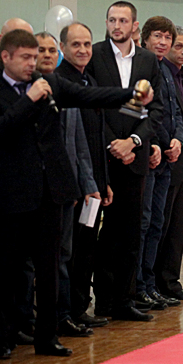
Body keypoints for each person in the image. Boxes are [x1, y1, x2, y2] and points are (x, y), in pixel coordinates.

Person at [0, 29, 147, 355]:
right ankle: (4, 336)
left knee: (51, 265)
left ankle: (47, 336)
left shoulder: (52, 85)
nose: (34, 62)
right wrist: (29, 100)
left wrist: (132, 94)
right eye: (27, 57)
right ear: (6, 57)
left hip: (52, 191)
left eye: (38, 56)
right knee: (10, 268)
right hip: (13, 193)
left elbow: (89, 96)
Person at [86, 1, 164, 321]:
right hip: (103, 157)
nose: (116, 26)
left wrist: (133, 141)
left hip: (134, 155)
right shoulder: (94, 55)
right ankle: (102, 300)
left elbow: (152, 109)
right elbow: (91, 107)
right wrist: (112, 143)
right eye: (111, 20)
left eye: (123, 20)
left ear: (134, 25)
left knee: (131, 232)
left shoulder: (146, 60)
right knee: (104, 235)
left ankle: (124, 299)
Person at [35, 31, 99, 335]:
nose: (47, 55)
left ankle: (63, 316)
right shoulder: (32, 90)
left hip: (69, 188)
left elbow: (80, 143)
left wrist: (87, 184)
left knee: (65, 254)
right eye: (41, 50)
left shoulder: (66, 88)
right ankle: (47, 319)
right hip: (42, 189)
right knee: (48, 259)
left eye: (50, 50)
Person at [54, 22, 113, 327]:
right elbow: (68, 145)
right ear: (63, 48)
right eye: (75, 44)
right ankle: (68, 310)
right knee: (71, 251)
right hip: (71, 185)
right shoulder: (60, 83)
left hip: (91, 182)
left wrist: (102, 182)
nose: (82, 50)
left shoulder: (89, 82)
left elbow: (94, 138)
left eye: (87, 44)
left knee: (86, 248)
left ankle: (79, 307)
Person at [137, 16, 183, 309]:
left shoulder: (166, 70)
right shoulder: (141, 67)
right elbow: (138, 112)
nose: (163, 42)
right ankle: (138, 286)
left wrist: (177, 138)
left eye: (167, 37)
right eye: (158, 36)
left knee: (157, 224)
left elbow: (175, 112)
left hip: (168, 158)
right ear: (145, 38)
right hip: (149, 157)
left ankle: (150, 284)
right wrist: (153, 143)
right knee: (143, 224)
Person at [154, 27, 183, 301]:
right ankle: (157, 282)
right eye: (178, 45)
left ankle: (170, 281)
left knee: (178, 223)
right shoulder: (161, 72)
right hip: (167, 156)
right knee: (163, 222)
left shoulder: (180, 76)